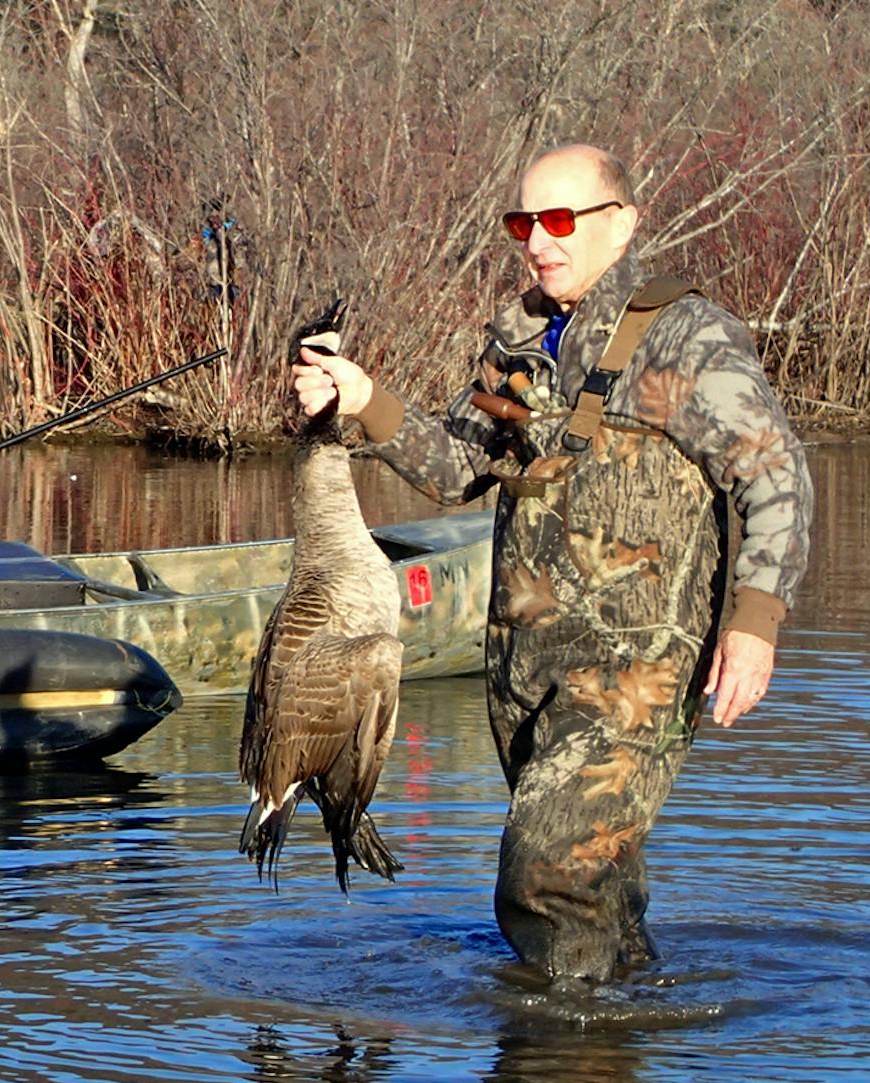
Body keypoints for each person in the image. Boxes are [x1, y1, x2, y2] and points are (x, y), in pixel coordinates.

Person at [289, 143, 813, 983]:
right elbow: (457, 464)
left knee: (544, 874)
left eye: (561, 219)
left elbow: (775, 473)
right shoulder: (519, 339)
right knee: (595, 891)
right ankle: (617, 1057)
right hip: (524, 673)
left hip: (633, 674)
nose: (539, 239)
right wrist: (361, 400)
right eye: (524, 221)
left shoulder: (683, 336)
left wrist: (755, 624)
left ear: (623, 223)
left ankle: (561, 1070)